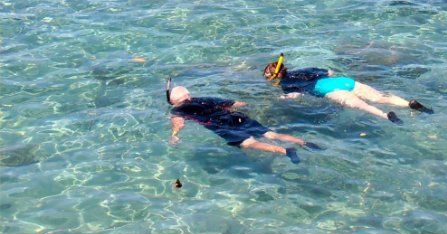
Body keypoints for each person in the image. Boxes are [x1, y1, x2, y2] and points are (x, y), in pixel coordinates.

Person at [166, 81, 319, 164]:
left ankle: (286, 151)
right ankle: (303, 142)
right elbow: (235, 103)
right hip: (237, 117)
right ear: (188, 95)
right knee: (271, 134)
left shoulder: (177, 111)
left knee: (249, 143)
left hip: (221, 125)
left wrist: (174, 135)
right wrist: (253, 104)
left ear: (174, 102)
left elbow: (179, 124)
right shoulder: (204, 99)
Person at [263, 54, 433, 125]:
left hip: (329, 91)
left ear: (275, 77)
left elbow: (295, 95)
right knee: (380, 97)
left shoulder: (285, 85)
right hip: (344, 82)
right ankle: (407, 104)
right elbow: (329, 72)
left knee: (362, 106)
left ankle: (385, 115)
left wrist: (281, 100)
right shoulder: (303, 70)